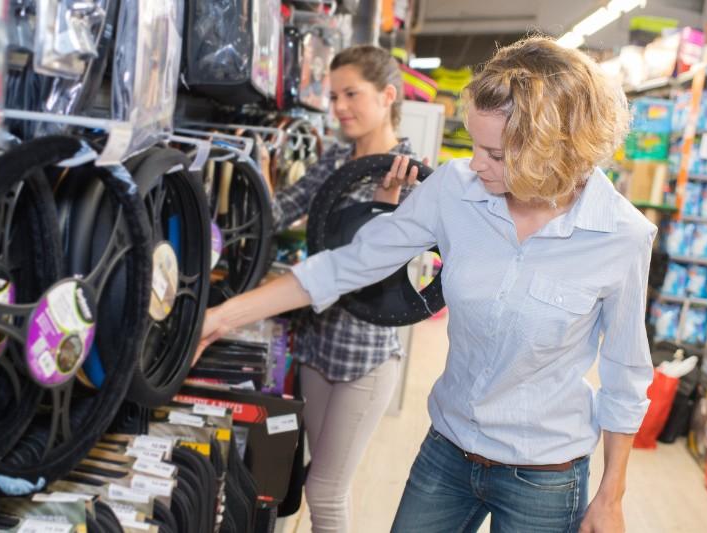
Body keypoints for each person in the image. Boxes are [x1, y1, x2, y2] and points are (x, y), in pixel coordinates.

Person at [197, 36, 655, 532]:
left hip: (544, 473)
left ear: (555, 150)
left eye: (496, 154)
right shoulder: (457, 190)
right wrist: (221, 318)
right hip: (449, 451)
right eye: (475, 144)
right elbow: (347, 264)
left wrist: (611, 495)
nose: (475, 164)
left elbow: (625, 374)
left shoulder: (621, 236)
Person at [202, 45, 421, 532]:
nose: (339, 106)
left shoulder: (411, 175)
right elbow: (284, 207)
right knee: (306, 481)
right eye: (333, 94)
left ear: (387, 95)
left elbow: (382, 270)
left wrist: (386, 203)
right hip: (318, 347)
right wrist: (218, 226)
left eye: (351, 94)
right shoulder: (338, 159)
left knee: (327, 490)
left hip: (364, 360)